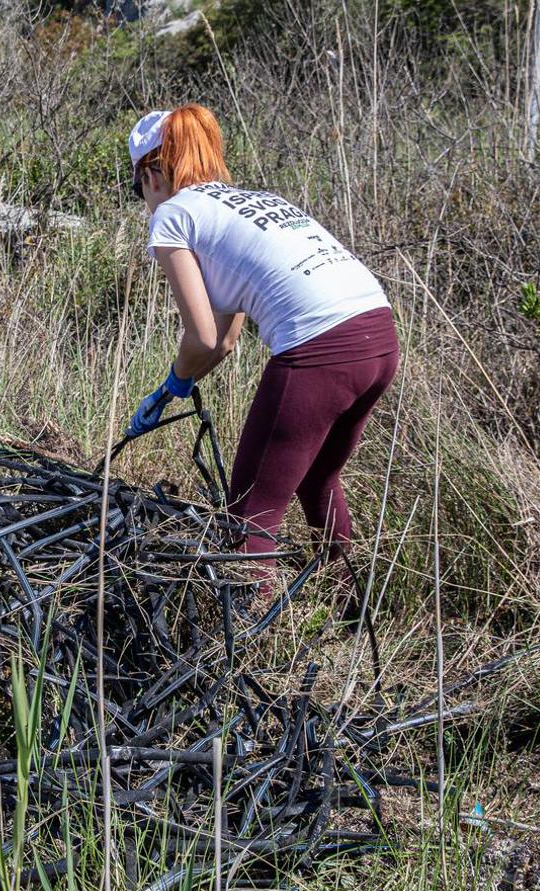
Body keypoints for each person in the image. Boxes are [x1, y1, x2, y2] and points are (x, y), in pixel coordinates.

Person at [123, 105, 399, 582]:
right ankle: (350, 609)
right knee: (317, 478)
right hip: (378, 334)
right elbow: (227, 340)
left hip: (320, 348)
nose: (143, 198)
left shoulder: (172, 216)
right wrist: (172, 393)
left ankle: (258, 647)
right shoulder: (246, 202)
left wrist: (175, 378)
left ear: (151, 174)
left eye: (136, 186)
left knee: (249, 516)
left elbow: (203, 334)